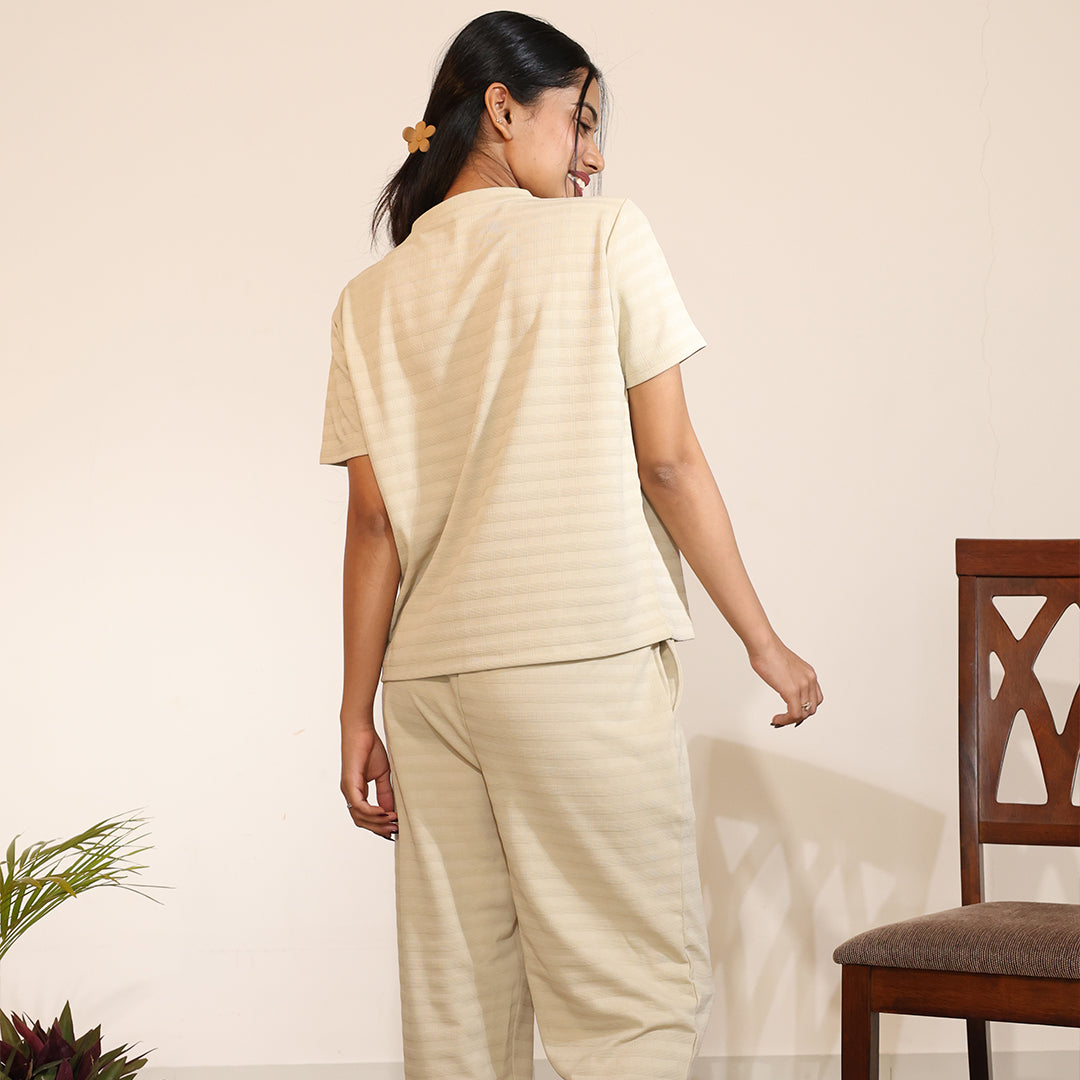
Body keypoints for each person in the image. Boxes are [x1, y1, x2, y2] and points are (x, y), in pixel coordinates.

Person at [320, 11, 822, 1080]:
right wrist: (763, 642)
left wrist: (357, 713)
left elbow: (372, 526)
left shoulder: (368, 299)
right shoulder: (603, 238)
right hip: (575, 659)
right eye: (581, 120)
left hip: (429, 685)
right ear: (502, 110)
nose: (593, 156)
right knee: (625, 1003)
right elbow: (669, 465)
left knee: (460, 1017)